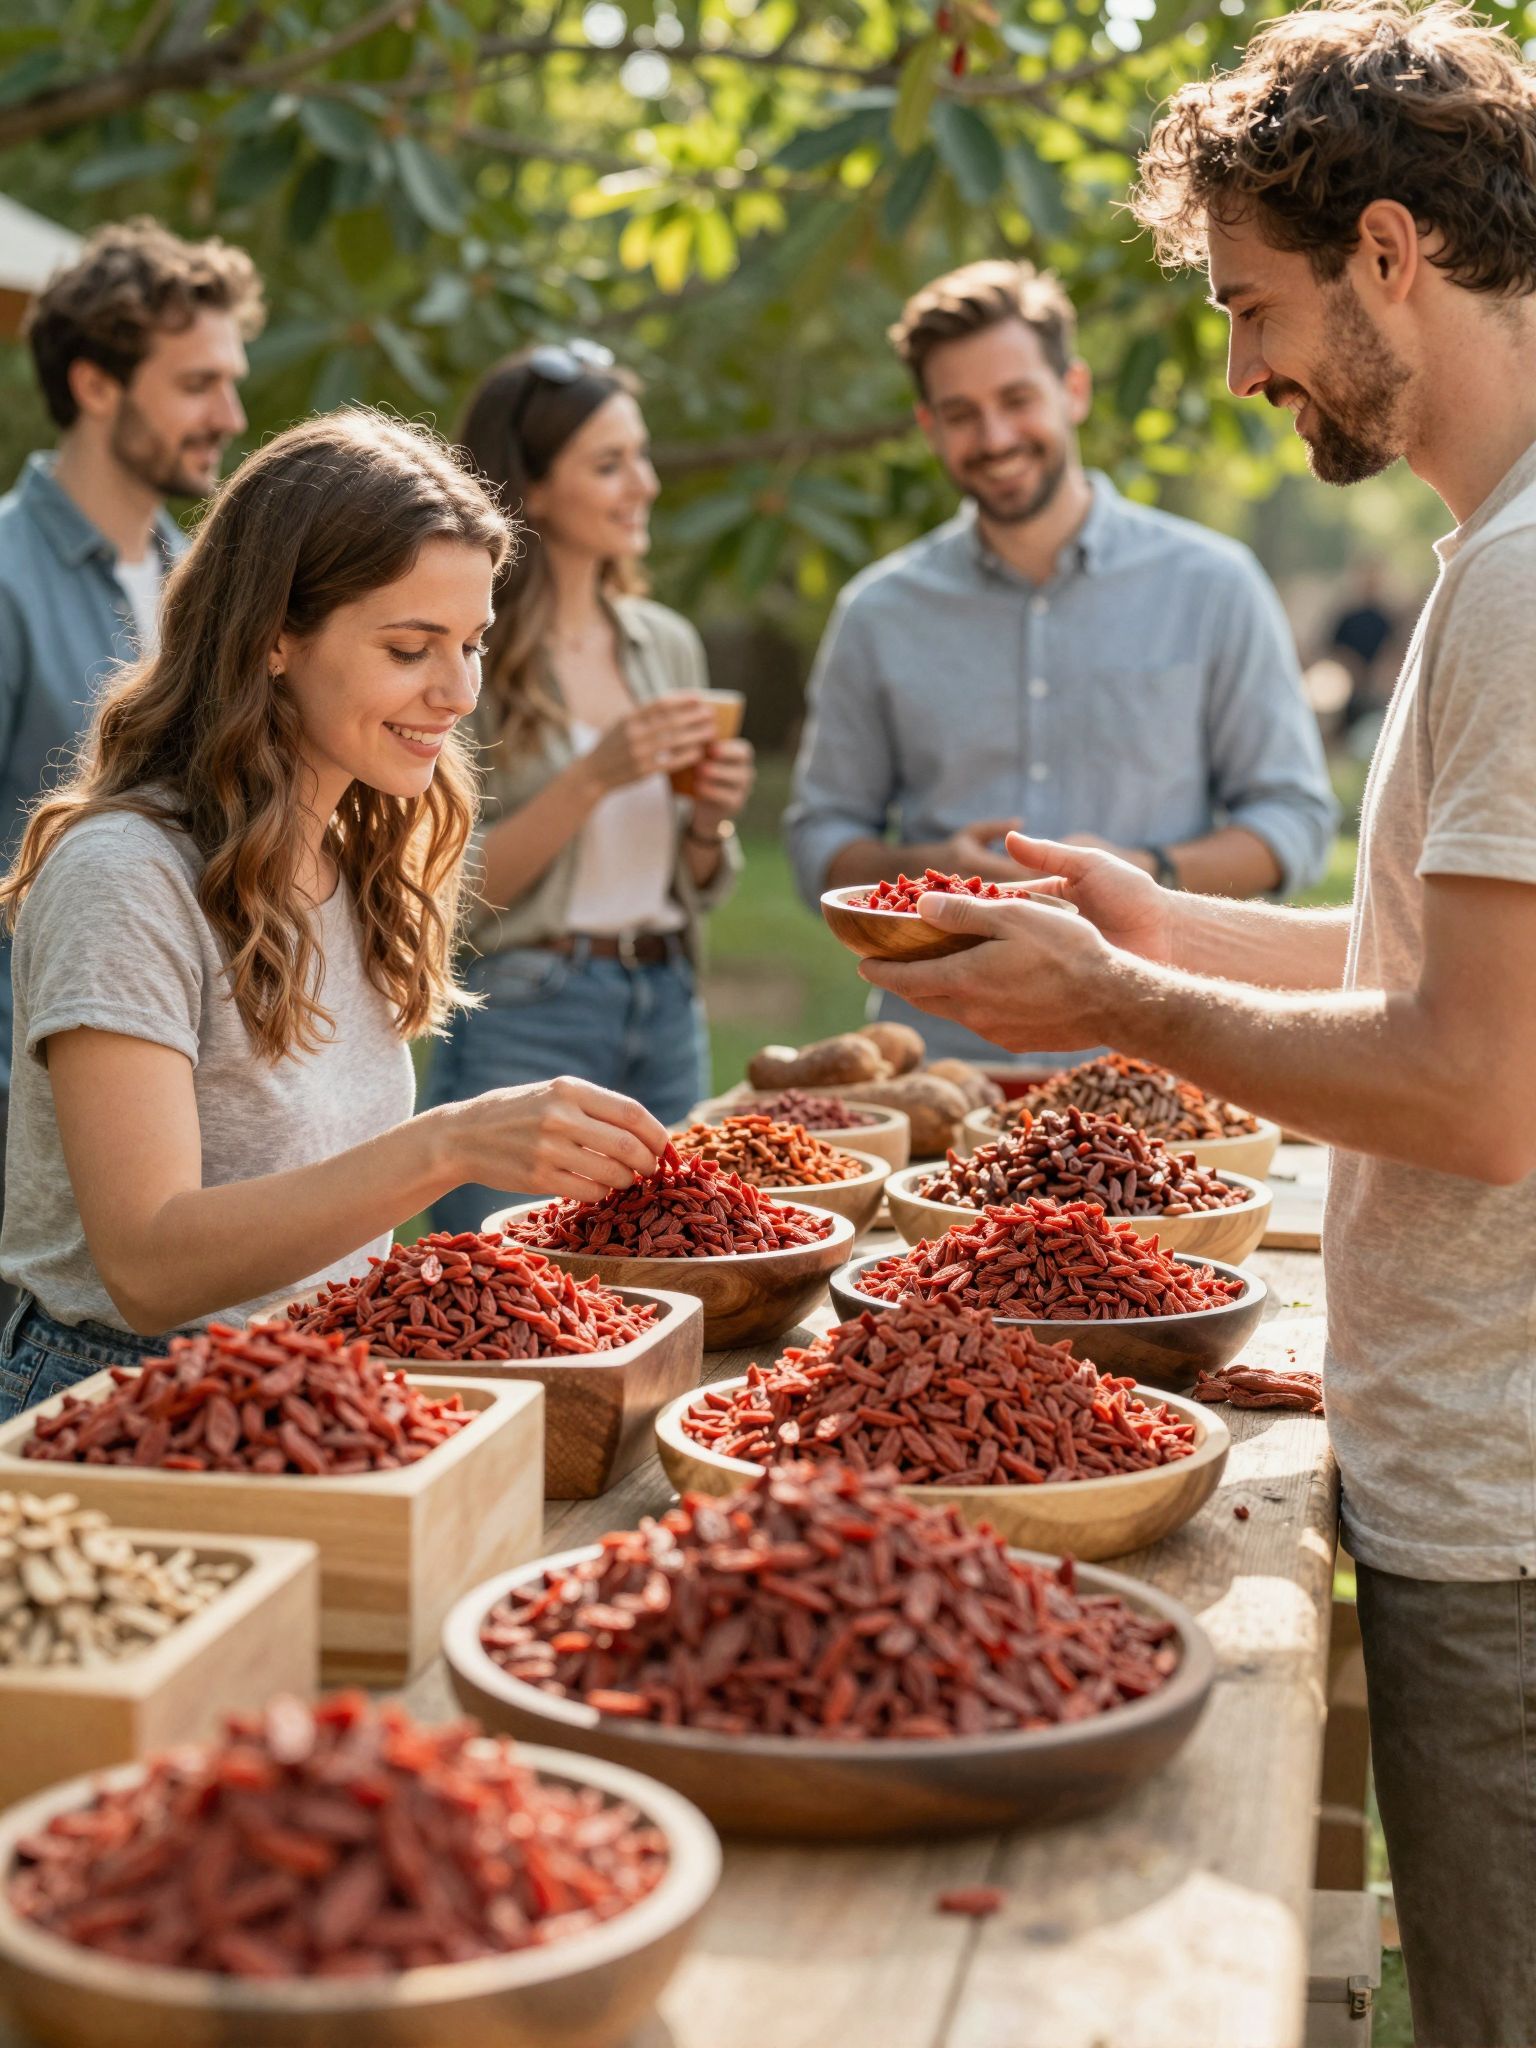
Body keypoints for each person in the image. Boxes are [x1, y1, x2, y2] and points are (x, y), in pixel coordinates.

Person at [858, 6, 1536, 2041]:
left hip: (1503, 1520)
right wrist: (1174, 932)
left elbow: (1477, 1090)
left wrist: (1118, 999)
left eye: (1252, 306)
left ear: (1391, 255)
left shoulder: (1515, 587)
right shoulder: (1482, 558)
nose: (1238, 366)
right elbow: (1443, 971)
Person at [0, 409, 669, 1420]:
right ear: (276, 635)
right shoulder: (126, 875)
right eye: (410, 647)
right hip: (121, 1393)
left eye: (472, 643)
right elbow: (144, 1262)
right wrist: (449, 1146)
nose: (456, 692)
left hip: (312, 1376)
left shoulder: (359, 839)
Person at [783, 257, 1338, 1064]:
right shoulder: (878, 613)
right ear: (929, 428)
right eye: (962, 413)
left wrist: (1147, 872)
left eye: (1017, 400)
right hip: (946, 1061)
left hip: (1157, 1054)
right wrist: (929, 871)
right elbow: (818, 840)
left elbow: (1292, 822)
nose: (997, 437)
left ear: (1072, 390)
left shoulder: (1213, 585)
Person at [425, 343, 754, 1237]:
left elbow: (691, 873)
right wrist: (595, 776)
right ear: (529, 491)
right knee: (517, 1295)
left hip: (667, 1002)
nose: (643, 484)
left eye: (640, 456)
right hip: (531, 1011)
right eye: (609, 465)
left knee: (682, 1274)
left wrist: (710, 823)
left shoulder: (665, 644)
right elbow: (451, 895)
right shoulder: (466, 661)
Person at [0, 217, 263, 1273]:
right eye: (198, 382)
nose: (230, 416)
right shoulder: (6, 578)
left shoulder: (202, 582)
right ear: (97, 384)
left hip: (200, 1080)